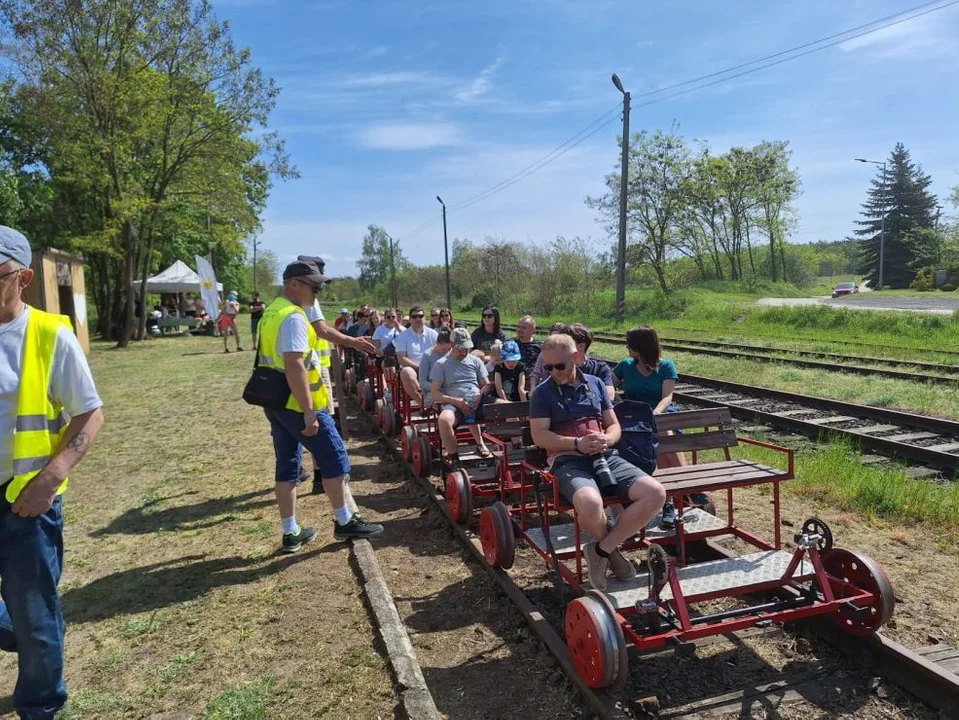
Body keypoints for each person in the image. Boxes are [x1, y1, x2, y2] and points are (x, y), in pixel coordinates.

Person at [0, 225, 106, 719]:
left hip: (26, 500)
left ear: (21, 277)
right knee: (26, 621)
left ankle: (40, 706)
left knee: (34, 611)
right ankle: (30, 635)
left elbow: (89, 413)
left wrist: (49, 480)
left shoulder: (47, 334)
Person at [258, 259, 382, 547]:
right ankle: (345, 521)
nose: (318, 294)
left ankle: (290, 532)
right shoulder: (293, 317)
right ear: (294, 285)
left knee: (287, 465)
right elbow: (294, 365)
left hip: (276, 402)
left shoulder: (272, 312)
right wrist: (310, 412)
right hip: (297, 404)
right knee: (335, 458)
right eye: (314, 287)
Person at [530, 334, 665, 591]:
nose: (554, 372)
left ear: (576, 357)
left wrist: (607, 439)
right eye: (548, 367)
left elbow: (614, 425)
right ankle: (612, 554)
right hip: (567, 460)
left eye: (560, 366)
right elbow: (539, 436)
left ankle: (600, 550)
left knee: (656, 493)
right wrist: (576, 444)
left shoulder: (595, 384)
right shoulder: (543, 393)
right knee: (591, 503)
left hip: (605, 457)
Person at [430, 327, 492, 465]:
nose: (463, 352)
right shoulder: (441, 365)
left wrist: (480, 395)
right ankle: (454, 458)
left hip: (476, 399)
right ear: (452, 345)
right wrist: (456, 401)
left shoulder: (475, 361)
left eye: (466, 349)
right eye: (460, 349)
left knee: (510, 408)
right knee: (444, 420)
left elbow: (486, 385)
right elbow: (435, 393)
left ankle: (515, 449)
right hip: (454, 402)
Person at [394, 306, 438, 405]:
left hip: (432, 368)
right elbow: (401, 358)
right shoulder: (403, 336)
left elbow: (441, 353)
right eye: (414, 317)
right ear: (410, 319)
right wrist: (419, 367)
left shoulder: (433, 334)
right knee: (406, 372)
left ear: (425, 318)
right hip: (413, 369)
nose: (418, 319)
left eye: (420, 316)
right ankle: (422, 402)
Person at [419, 329, 450, 407]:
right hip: (433, 390)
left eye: (449, 349)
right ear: (437, 344)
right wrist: (437, 388)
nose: (446, 352)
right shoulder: (427, 355)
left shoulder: (451, 354)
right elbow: (422, 381)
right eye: (444, 349)